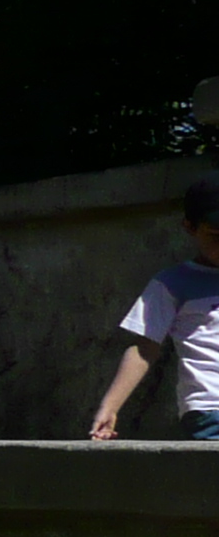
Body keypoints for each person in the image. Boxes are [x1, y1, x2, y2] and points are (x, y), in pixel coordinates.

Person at [90, 174, 219, 439]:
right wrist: (110, 407)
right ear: (190, 227)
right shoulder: (172, 284)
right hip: (211, 410)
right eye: (215, 235)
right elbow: (144, 347)